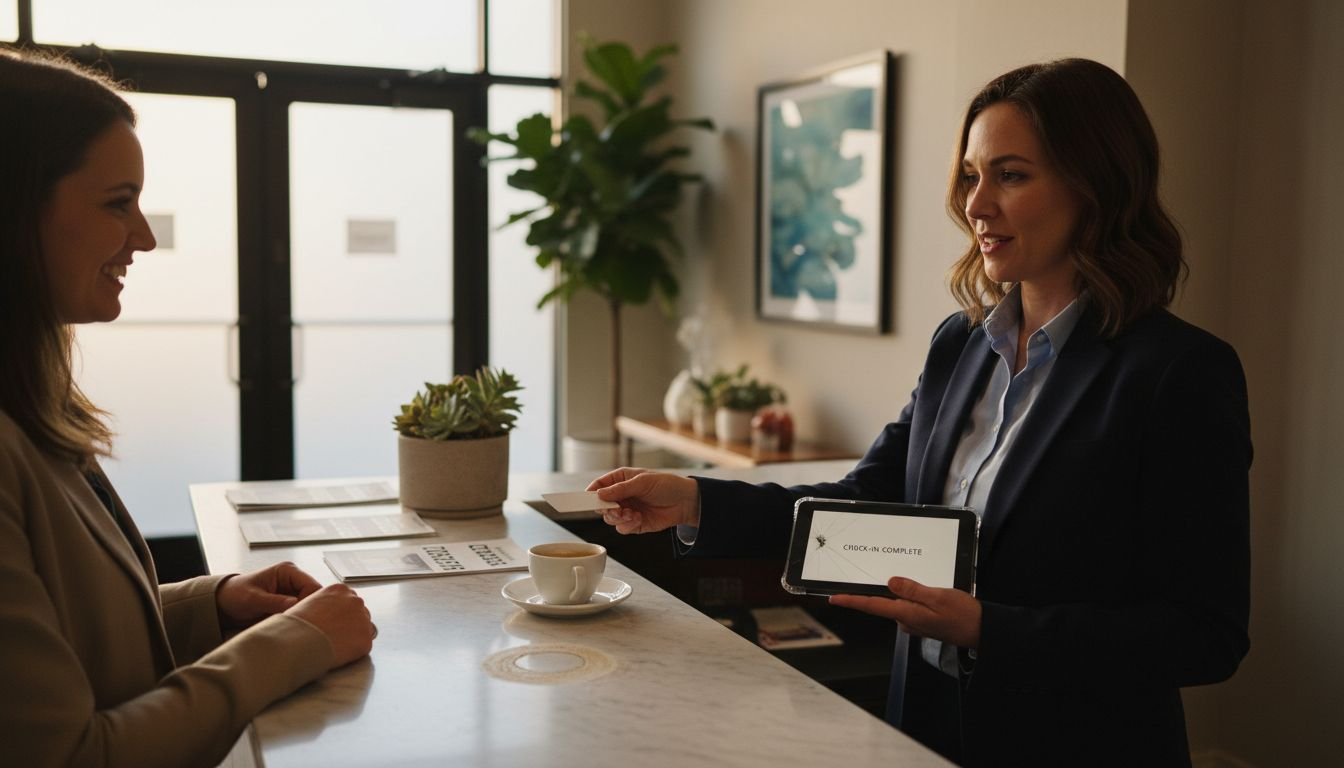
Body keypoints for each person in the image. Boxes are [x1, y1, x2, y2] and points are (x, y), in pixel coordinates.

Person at [589, 58, 1250, 767]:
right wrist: (693, 501)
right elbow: (865, 504)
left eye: (1012, 175)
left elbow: (1203, 633)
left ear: (1096, 185)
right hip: (923, 722)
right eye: (971, 175)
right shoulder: (960, 344)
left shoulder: (1179, 372)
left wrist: (992, 630)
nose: (977, 205)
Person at [0, 50, 376, 767]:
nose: (142, 237)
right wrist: (295, 642)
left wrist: (214, 604)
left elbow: (65, 640)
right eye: (118, 203)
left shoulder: (27, 406)